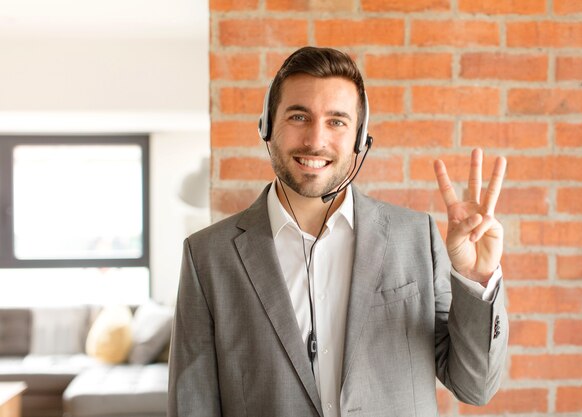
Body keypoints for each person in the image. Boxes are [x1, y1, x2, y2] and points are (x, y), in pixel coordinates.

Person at [168, 46, 508, 417]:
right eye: (299, 116)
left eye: (337, 121)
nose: (316, 140)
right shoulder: (208, 256)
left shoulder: (415, 237)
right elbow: (192, 405)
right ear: (267, 125)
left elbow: (475, 387)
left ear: (360, 137)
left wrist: (476, 279)